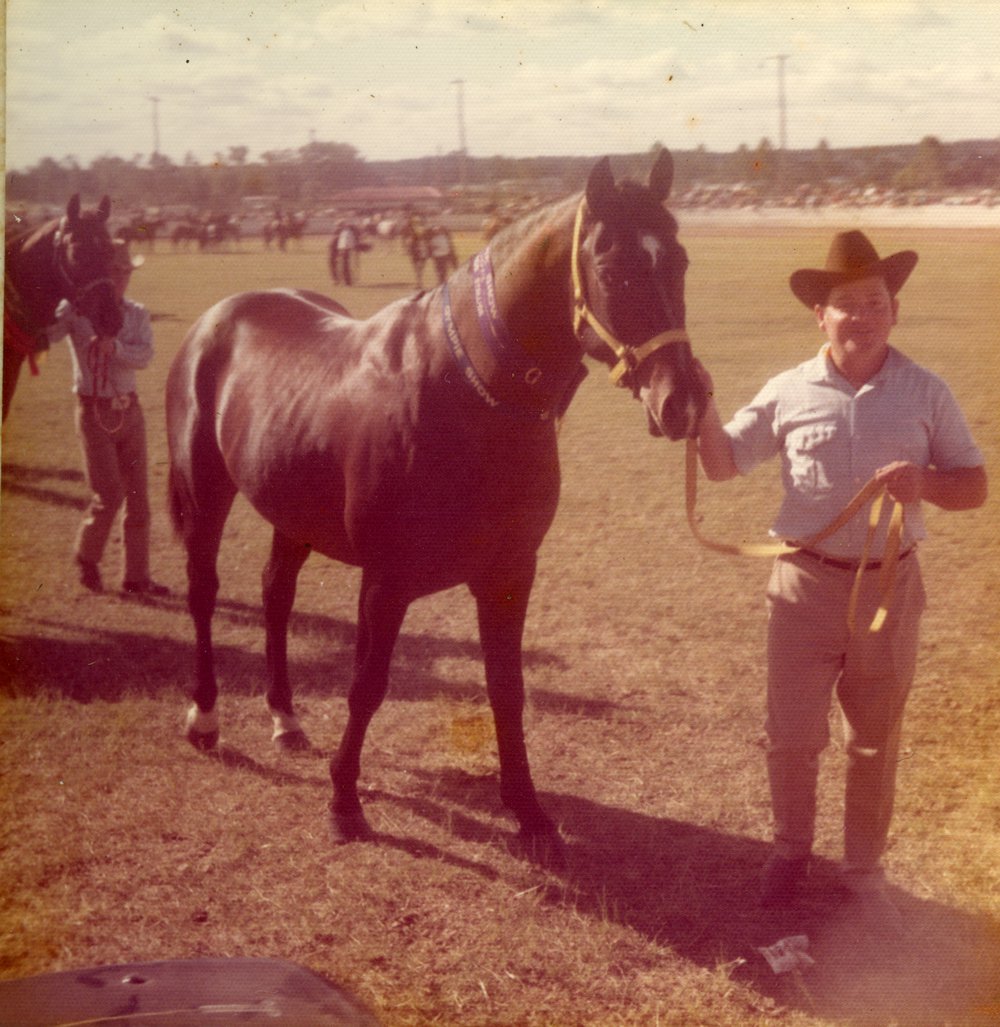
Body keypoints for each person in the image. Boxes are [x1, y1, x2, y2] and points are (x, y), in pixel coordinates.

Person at [694, 230, 987, 908]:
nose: (863, 315)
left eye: (876, 302)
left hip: (891, 584)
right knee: (792, 735)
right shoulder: (788, 389)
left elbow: (973, 486)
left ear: (895, 311)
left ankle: (863, 870)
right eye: (847, 303)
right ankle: (791, 850)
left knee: (874, 742)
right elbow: (721, 462)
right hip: (804, 587)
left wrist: (927, 483)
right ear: (819, 315)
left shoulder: (926, 390)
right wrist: (699, 400)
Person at [48, 238, 169, 596]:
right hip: (93, 409)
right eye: (115, 272)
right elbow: (48, 335)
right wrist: (56, 312)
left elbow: (145, 355)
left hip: (129, 409)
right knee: (109, 494)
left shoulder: (137, 312)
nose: (121, 279)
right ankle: (87, 556)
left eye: (126, 272)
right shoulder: (75, 310)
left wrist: (114, 348)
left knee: (139, 498)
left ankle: (136, 577)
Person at [329, 219, 359, 285]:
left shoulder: (346, 232)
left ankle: (346, 281)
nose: (337, 227)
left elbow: (345, 242)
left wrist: (342, 251)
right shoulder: (340, 231)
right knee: (342, 266)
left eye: (339, 225)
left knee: (344, 266)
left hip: (343, 250)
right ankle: (339, 280)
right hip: (337, 250)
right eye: (337, 225)